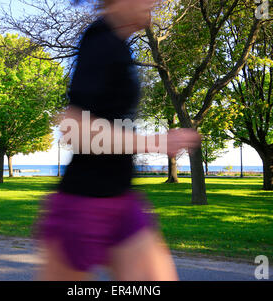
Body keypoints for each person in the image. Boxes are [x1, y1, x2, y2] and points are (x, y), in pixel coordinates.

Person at [33, 0, 201, 281]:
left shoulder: (120, 45)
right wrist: (156, 143)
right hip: (84, 205)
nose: (154, 3)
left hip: (121, 200)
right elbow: (73, 129)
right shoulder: (100, 42)